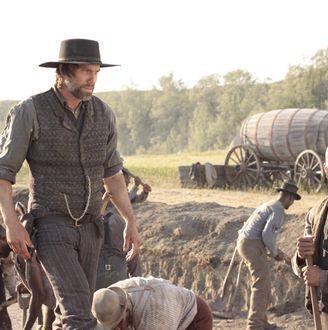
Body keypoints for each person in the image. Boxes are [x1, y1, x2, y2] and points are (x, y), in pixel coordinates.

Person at [0, 38, 140, 329]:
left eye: (97, 71)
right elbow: (3, 172)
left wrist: (130, 221)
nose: (93, 78)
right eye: (85, 71)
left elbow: (113, 175)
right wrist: (12, 223)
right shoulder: (31, 111)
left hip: (92, 228)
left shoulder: (103, 113)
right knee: (80, 315)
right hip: (51, 226)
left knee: (73, 313)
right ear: (63, 72)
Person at [237, 180, 301, 330]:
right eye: (292, 201)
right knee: (261, 285)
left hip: (246, 242)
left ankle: (261, 321)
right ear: (289, 198)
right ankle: (254, 325)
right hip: (253, 245)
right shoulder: (278, 210)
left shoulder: (268, 204)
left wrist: (276, 252)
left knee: (262, 284)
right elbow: (267, 235)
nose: (291, 204)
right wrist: (276, 253)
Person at [292, 144, 328, 328]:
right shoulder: (316, 213)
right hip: (325, 314)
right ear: (325, 169)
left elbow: (318, 276)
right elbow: (300, 268)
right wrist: (300, 256)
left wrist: (323, 278)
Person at [96, 169, 151, 290]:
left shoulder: (122, 194)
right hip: (111, 231)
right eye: (127, 181)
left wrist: (144, 192)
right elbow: (123, 198)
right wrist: (136, 187)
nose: (128, 183)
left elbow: (134, 199)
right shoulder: (112, 194)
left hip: (119, 233)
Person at [92, 276, 213, 330]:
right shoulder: (108, 297)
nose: (117, 329)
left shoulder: (153, 316)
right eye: (112, 327)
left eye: (118, 324)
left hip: (195, 317)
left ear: (125, 309)